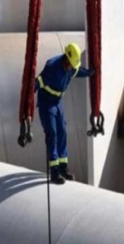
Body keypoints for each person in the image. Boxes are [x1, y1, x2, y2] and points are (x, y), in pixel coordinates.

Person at [35, 43, 94, 184]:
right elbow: (37, 82)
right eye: (70, 64)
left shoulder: (72, 68)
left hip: (57, 102)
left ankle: (63, 166)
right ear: (66, 58)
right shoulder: (52, 67)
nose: (71, 67)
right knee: (52, 133)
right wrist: (28, 94)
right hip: (47, 103)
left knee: (62, 131)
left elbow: (78, 72)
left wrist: (90, 72)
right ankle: (54, 171)